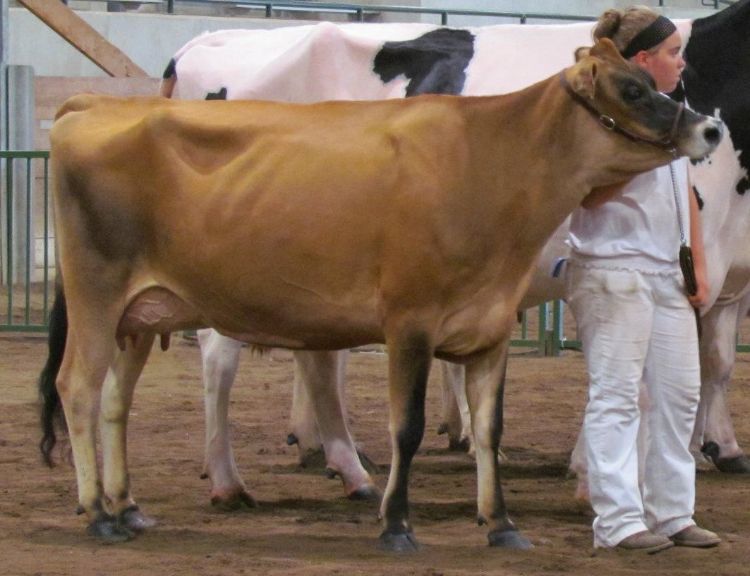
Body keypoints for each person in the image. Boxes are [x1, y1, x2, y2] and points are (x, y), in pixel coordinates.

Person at [565, 6, 722, 553]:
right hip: (612, 267)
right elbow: (586, 194)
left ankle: (674, 512)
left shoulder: (676, 114)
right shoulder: (600, 114)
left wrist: (698, 265)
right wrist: (655, 150)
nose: (682, 62)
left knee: (679, 396)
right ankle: (618, 522)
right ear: (642, 60)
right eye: (674, 52)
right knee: (618, 396)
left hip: (663, 270)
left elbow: (688, 199)